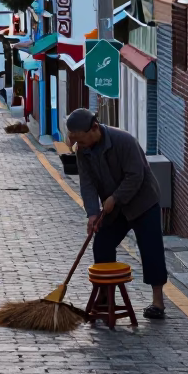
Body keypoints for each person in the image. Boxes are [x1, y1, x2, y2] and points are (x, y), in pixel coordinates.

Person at [65, 108, 167, 319]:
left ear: (94, 128)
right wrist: (92, 213)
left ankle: (158, 302)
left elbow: (135, 176)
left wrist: (114, 198)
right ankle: (104, 296)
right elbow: (87, 183)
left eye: (82, 141)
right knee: (102, 243)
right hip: (114, 208)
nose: (80, 146)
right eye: (77, 143)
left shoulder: (124, 141)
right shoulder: (82, 151)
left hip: (142, 201)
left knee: (151, 248)